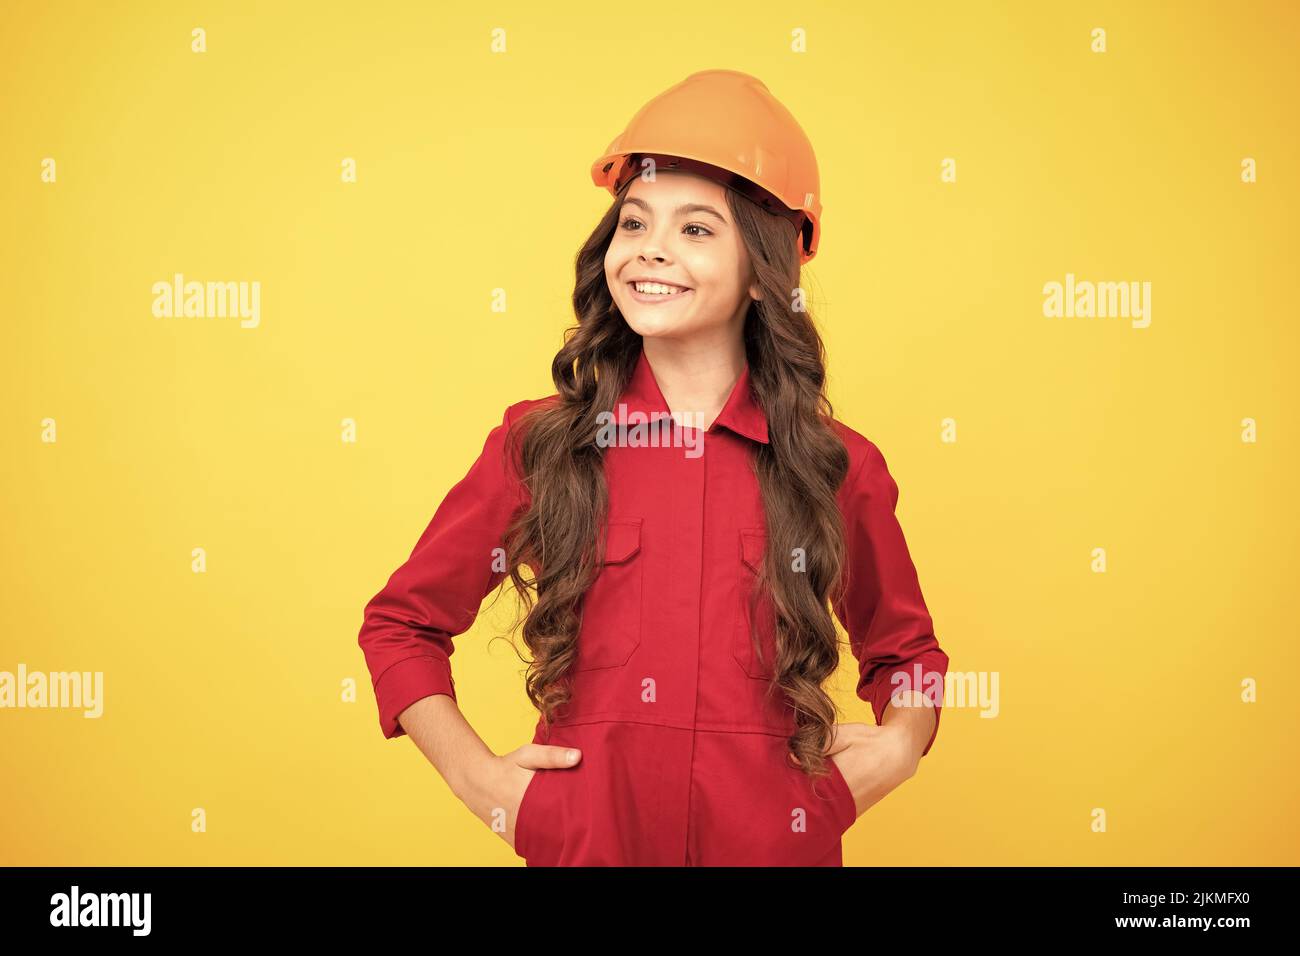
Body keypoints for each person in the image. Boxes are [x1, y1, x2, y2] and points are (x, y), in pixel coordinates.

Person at [357, 69, 950, 866]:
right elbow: (400, 625)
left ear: (762, 267)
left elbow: (909, 655)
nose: (652, 252)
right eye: (634, 223)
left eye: (697, 230)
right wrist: (485, 787)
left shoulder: (837, 467)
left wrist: (899, 747)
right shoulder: (540, 445)